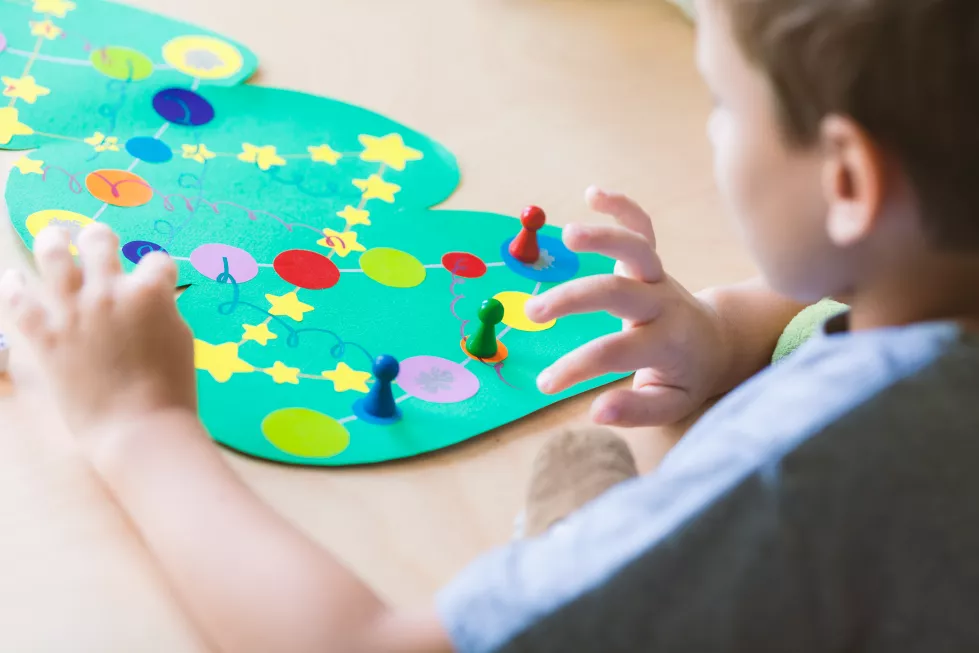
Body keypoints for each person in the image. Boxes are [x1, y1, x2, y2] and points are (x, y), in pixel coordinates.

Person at [4, 0, 979, 651]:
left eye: (722, 101)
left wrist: (137, 423)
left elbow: (363, 646)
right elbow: (842, 310)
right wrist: (718, 335)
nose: (712, 123)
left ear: (847, 179)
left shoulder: (800, 466)